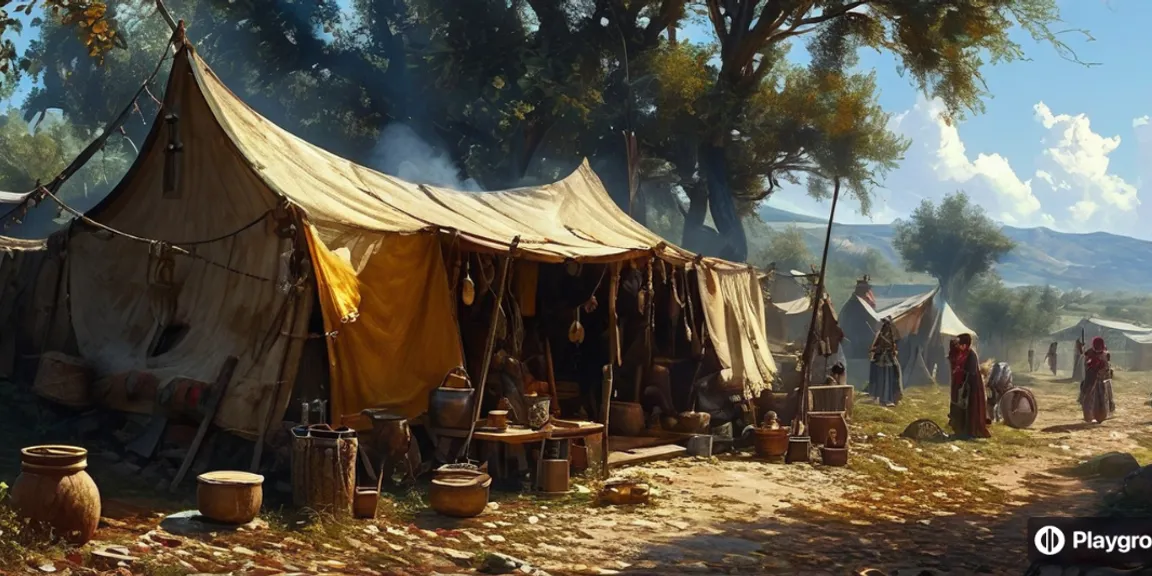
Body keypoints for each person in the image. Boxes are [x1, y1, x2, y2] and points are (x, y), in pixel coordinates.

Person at [948, 334, 991, 438]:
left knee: (971, 408)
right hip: (964, 383)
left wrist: (960, 372)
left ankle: (971, 430)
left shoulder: (971, 354)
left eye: (960, 344)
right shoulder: (963, 353)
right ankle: (962, 429)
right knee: (962, 407)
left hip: (972, 384)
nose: (959, 346)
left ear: (965, 345)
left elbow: (971, 371)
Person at [866, 318, 902, 407]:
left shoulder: (891, 335)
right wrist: (875, 350)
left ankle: (889, 399)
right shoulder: (881, 334)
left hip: (888, 361)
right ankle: (881, 398)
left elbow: (893, 348)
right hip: (881, 361)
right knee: (882, 380)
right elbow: (875, 346)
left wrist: (891, 350)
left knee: (890, 379)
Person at [1079, 336, 1115, 424]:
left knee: (1105, 397)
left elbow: (1107, 366)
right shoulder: (1089, 352)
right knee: (1087, 395)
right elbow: (1086, 363)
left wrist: (1104, 371)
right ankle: (1089, 416)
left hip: (1103, 379)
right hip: (1091, 378)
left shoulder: (1106, 354)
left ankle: (1102, 414)